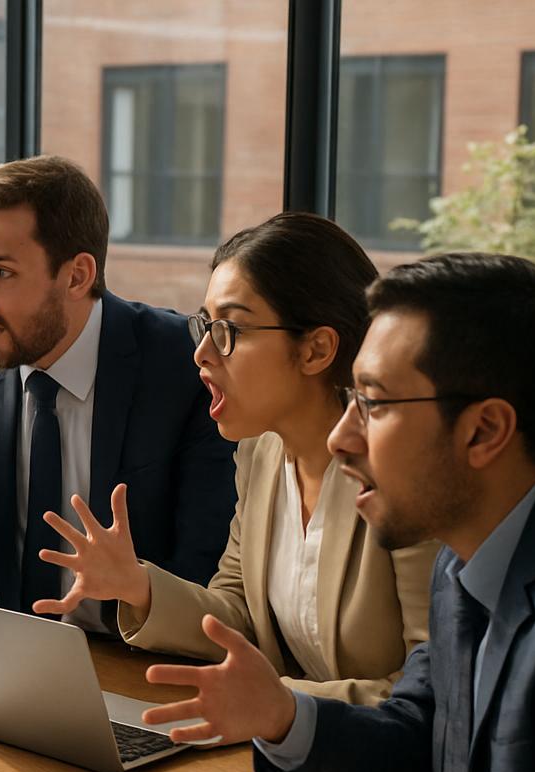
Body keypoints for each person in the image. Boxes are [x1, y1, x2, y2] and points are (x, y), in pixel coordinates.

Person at [134, 252, 535, 772]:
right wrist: (285, 719)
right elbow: (416, 733)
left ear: (486, 429)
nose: (343, 437)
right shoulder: (468, 566)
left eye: (376, 405)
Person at [31, 212, 436, 704]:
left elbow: (433, 688)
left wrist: (281, 702)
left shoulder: (405, 475)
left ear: (316, 350)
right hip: (288, 749)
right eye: (204, 325)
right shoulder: (261, 454)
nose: (202, 352)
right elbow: (237, 613)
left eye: (231, 329)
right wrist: (138, 586)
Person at [0, 155, 236, 626]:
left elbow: (206, 568)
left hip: (140, 658)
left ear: (77, 275)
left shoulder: (182, 364)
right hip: (7, 648)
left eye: (0, 272)